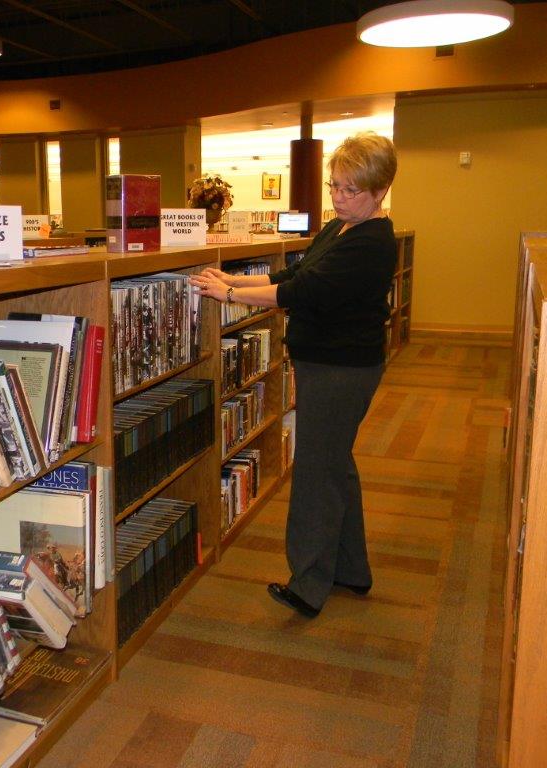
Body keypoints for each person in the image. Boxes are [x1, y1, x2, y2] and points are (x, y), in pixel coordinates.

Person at [189, 132, 398, 618]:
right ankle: (351, 569)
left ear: (380, 190)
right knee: (335, 465)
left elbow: (300, 295)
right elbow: (291, 277)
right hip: (327, 363)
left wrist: (230, 297)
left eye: (352, 190)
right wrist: (234, 280)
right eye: (335, 187)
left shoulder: (371, 242)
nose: (339, 198)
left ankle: (309, 583)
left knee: (316, 472)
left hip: (341, 369)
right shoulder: (341, 228)